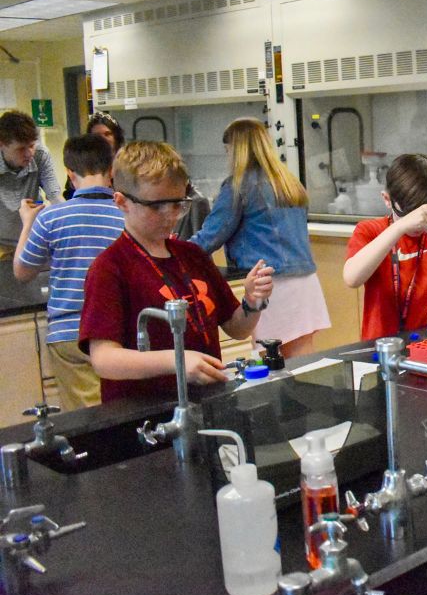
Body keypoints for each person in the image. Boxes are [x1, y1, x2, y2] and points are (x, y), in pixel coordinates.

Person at [78, 141, 274, 403]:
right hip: (142, 413)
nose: (170, 216)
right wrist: (177, 360)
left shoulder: (192, 256)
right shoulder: (110, 267)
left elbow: (237, 329)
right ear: (122, 202)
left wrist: (253, 302)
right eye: (156, 206)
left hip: (204, 400)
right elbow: (104, 360)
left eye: (177, 204)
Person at [190, 119, 330, 359]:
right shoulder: (288, 182)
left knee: (268, 373)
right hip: (305, 284)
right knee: (301, 368)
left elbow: (211, 235)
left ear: (236, 149)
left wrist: (175, 251)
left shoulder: (239, 185)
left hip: (269, 286)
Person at [13, 134, 124, 410]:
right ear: (112, 171)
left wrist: (28, 222)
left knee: (88, 419)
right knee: (126, 408)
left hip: (69, 333)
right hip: (118, 328)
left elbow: (22, 271)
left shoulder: (52, 218)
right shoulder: (129, 214)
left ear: (69, 174)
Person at [343, 153, 427, 340]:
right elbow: (351, 278)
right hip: (382, 349)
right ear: (387, 199)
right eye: (410, 213)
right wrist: (400, 227)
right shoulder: (371, 232)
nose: (419, 223)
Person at [0, 110, 61, 259]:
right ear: (2, 144)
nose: (29, 153)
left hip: (33, 239)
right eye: (21, 149)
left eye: (32, 146)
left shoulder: (40, 154)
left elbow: (56, 197)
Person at [65, 111, 126, 200]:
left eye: (107, 134)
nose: (103, 139)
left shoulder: (127, 163)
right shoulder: (80, 164)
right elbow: (69, 194)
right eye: (97, 135)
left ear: (116, 137)